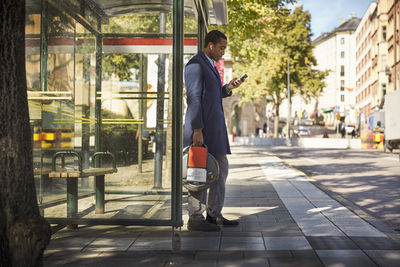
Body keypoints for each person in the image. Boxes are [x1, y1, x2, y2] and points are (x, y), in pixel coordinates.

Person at [183, 30, 243, 232]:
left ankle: (214, 214)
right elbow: (194, 98)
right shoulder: (195, 65)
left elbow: (213, 95)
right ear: (210, 45)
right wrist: (197, 129)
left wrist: (227, 87)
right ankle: (195, 218)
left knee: (220, 170)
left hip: (215, 132)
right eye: (221, 47)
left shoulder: (211, 66)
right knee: (198, 173)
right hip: (202, 130)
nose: (223, 52)